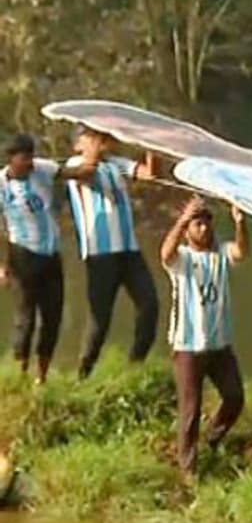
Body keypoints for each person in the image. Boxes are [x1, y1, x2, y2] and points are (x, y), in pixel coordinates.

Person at [160, 196, 248, 485]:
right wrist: (183, 219)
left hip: (219, 343)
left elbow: (241, 252)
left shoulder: (220, 252)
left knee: (234, 396)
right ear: (188, 230)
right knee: (191, 408)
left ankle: (211, 440)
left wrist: (240, 223)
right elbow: (165, 254)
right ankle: (188, 470)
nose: (204, 228)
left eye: (207, 222)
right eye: (198, 224)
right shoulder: (183, 258)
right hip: (188, 345)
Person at [0, 134, 97, 382]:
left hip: (51, 255)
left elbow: (79, 173)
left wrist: (94, 150)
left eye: (31, 155)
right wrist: (3, 266)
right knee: (26, 318)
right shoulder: (1, 185)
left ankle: (41, 377)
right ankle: (20, 375)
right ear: (11, 159)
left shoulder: (43, 169)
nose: (29, 162)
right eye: (24, 157)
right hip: (22, 254)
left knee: (52, 317)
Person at [64, 125, 159, 379]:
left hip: (129, 249)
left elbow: (149, 174)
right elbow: (86, 173)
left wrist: (150, 146)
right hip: (101, 253)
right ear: (78, 145)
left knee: (149, 305)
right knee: (100, 318)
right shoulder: (75, 164)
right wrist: (94, 150)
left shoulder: (116, 163)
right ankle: (83, 373)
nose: (98, 138)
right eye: (89, 136)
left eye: (98, 135)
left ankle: (135, 365)